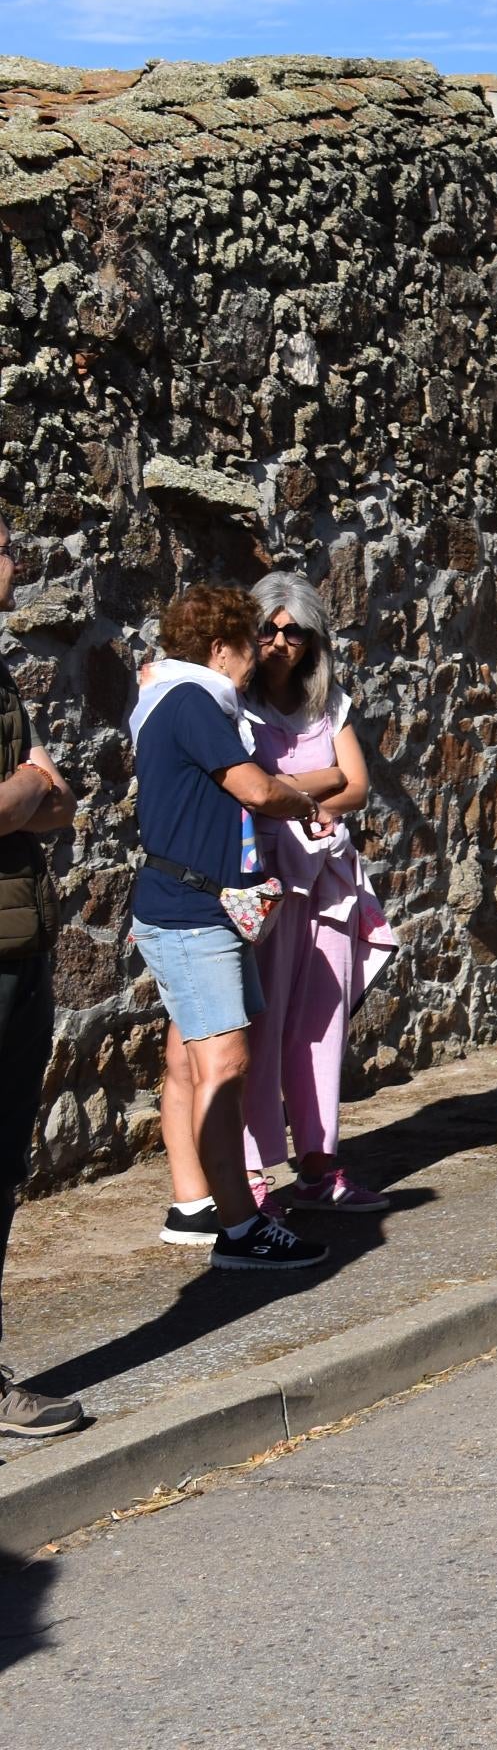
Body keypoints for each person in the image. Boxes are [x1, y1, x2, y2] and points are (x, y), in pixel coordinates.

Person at [131, 584, 328, 1272]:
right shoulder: (193, 700)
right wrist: (303, 801)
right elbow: (252, 786)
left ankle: (194, 1206)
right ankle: (241, 1230)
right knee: (224, 1064)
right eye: (251, 643)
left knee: (192, 1058)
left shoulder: (175, 698)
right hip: (193, 913)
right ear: (220, 648)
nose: (260, 657)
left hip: (194, 905)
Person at [240, 572, 394, 1213]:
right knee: (260, 1025)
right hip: (266, 881)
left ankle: (320, 1164)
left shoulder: (328, 705)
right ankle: (248, 1176)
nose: (281, 642)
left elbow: (358, 787)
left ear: (312, 640)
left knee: (320, 1024)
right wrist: (321, 779)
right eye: (270, 629)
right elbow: (254, 784)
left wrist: (300, 785)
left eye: (294, 631)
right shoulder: (235, 703)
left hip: (326, 881)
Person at [0, 518, 82, 1439]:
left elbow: (60, 803)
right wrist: (23, 795)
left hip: (20, 947)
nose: (18, 563)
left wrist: (32, 798)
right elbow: (34, 795)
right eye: (5, 547)